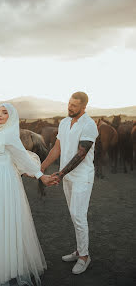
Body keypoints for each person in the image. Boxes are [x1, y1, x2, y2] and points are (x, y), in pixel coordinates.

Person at [0, 102, 58, 286]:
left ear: (11, 117)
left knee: (7, 219)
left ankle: (11, 267)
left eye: (4, 113)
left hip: (5, 181)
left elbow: (21, 157)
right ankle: (1, 264)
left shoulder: (10, 134)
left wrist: (40, 176)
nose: (0, 115)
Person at [41, 92, 98, 275]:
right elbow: (57, 148)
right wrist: (41, 168)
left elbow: (81, 154)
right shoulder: (64, 123)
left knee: (78, 215)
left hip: (82, 177)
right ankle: (80, 250)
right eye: (69, 104)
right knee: (75, 216)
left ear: (84, 107)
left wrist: (61, 173)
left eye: (74, 105)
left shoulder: (89, 125)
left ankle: (84, 257)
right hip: (67, 177)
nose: (70, 107)